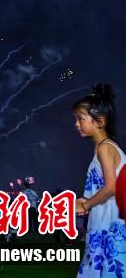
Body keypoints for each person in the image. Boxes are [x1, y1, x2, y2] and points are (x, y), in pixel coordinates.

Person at [73, 84, 126, 277]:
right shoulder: (107, 147)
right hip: (106, 217)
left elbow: (111, 187)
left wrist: (86, 204)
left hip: (109, 221)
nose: (76, 124)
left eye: (80, 119)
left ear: (99, 121)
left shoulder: (105, 148)